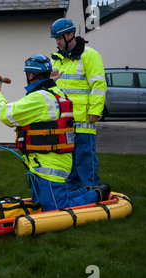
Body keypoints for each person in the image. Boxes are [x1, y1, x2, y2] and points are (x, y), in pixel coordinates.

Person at [0, 54, 110, 212]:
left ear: (31, 75)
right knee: (41, 202)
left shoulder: (39, 98)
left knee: (56, 207)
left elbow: (5, 114)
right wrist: (52, 80)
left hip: (49, 166)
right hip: (47, 162)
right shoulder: (55, 91)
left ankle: (98, 194)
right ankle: (87, 190)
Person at [50, 18, 107, 190]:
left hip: (84, 121)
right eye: (56, 39)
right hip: (64, 122)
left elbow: (98, 84)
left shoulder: (89, 55)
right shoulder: (56, 60)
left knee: (85, 161)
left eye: (60, 38)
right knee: (68, 164)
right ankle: (74, 194)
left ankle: (93, 192)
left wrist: (95, 111)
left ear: (70, 34)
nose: (58, 42)